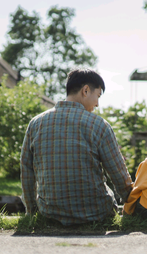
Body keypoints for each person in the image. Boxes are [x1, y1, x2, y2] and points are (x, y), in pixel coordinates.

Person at [20, 68, 132, 225]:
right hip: (96, 213)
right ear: (85, 90)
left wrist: (32, 211)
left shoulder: (36, 123)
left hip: (49, 213)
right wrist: (133, 204)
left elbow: (26, 168)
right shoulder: (99, 125)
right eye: (98, 96)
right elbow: (118, 173)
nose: (97, 104)